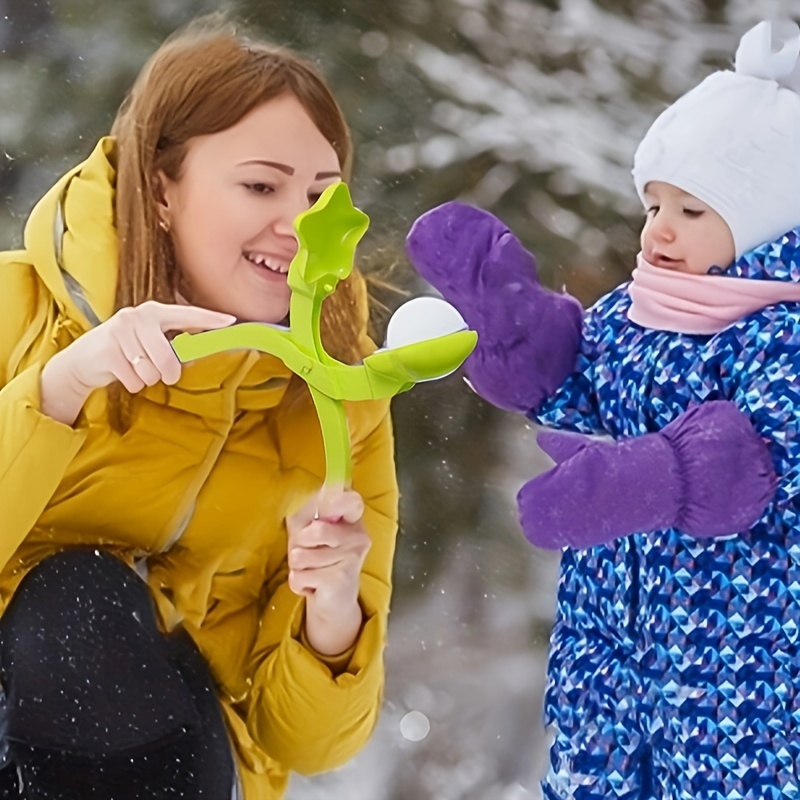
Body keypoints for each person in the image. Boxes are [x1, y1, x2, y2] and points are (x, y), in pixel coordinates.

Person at [0, 13, 398, 800]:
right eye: (260, 185)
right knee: (80, 600)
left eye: (322, 193)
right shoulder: (18, 310)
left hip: (177, 767)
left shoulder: (336, 404)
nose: (298, 224)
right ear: (160, 191)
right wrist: (62, 388)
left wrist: (333, 618)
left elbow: (309, 746)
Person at [405, 19, 800, 800]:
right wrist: (519, 334)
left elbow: (761, 456)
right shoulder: (636, 310)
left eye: (691, 210)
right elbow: (581, 389)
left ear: (765, 218)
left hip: (739, 668)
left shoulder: (781, 333)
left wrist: (646, 481)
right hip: (608, 650)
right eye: (654, 205)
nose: (658, 230)